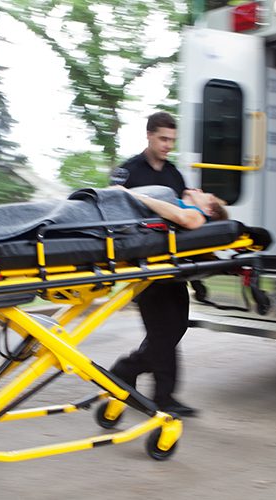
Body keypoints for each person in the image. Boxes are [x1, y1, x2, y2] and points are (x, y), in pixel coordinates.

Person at [108, 111, 212, 418]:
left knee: (176, 328)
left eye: (172, 140)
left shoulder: (174, 175)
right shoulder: (128, 172)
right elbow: (114, 213)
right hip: (145, 268)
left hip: (175, 266)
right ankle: (159, 394)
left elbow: (184, 219)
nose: (168, 145)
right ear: (149, 135)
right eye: (163, 139)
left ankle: (127, 372)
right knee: (162, 333)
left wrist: (196, 275)